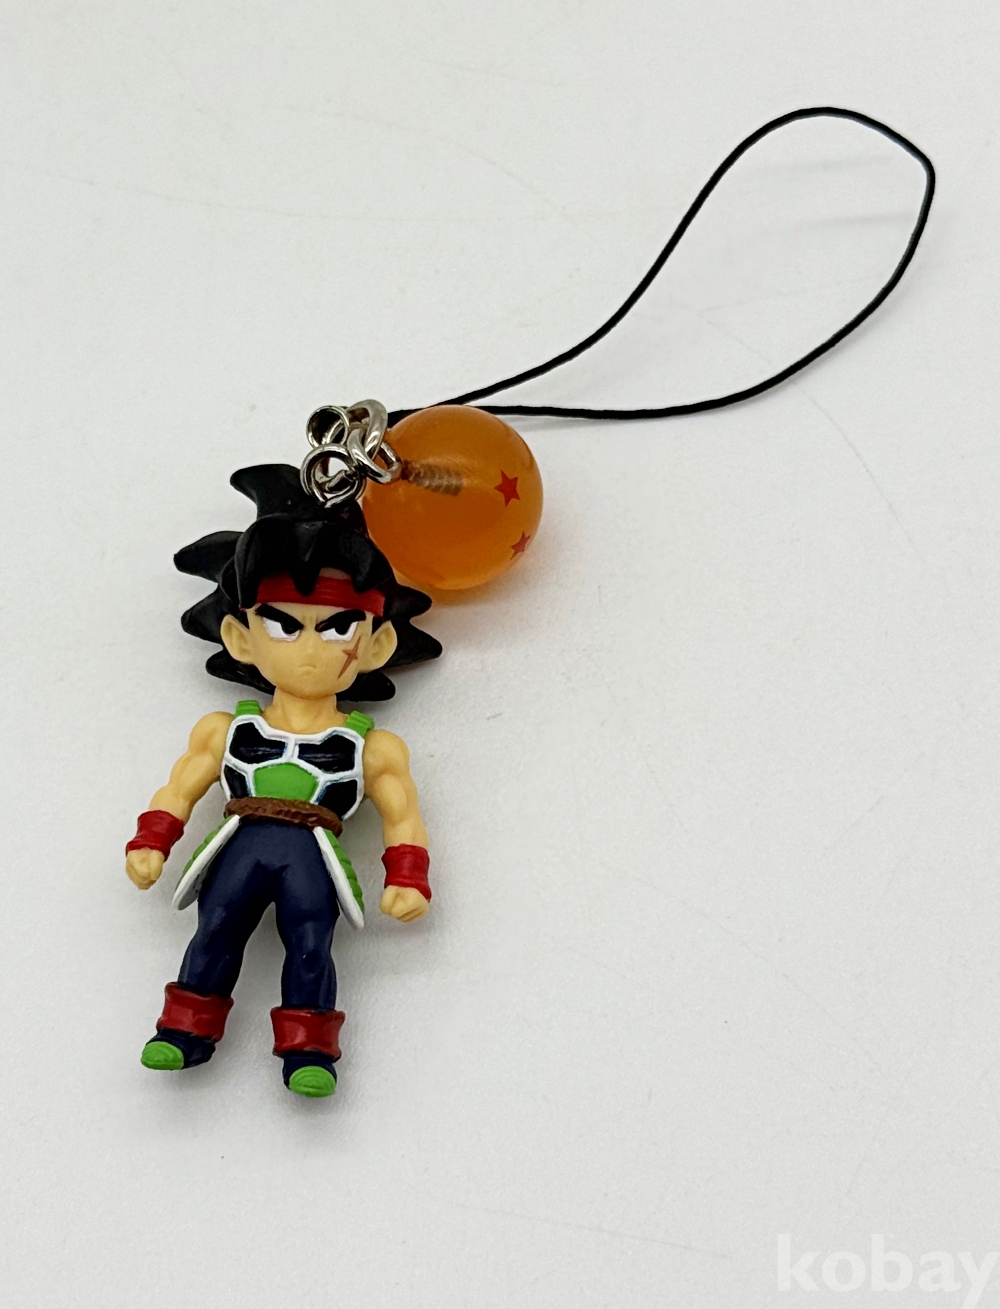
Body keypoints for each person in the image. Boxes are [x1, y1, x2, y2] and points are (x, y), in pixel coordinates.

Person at [125, 463, 441, 1098]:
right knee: (215, 930)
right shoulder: (225, 729)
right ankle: (184, 1030)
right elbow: (182, 786)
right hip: (238, 849)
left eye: (338, 628)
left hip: (312, 859)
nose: (310, 650)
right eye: (283, 626)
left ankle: (310, 1049)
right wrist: (152, 840)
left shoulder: (372, 745)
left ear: (376, 646)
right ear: (239, 638)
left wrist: (409, 877)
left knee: (311, 944)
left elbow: (402, 813)